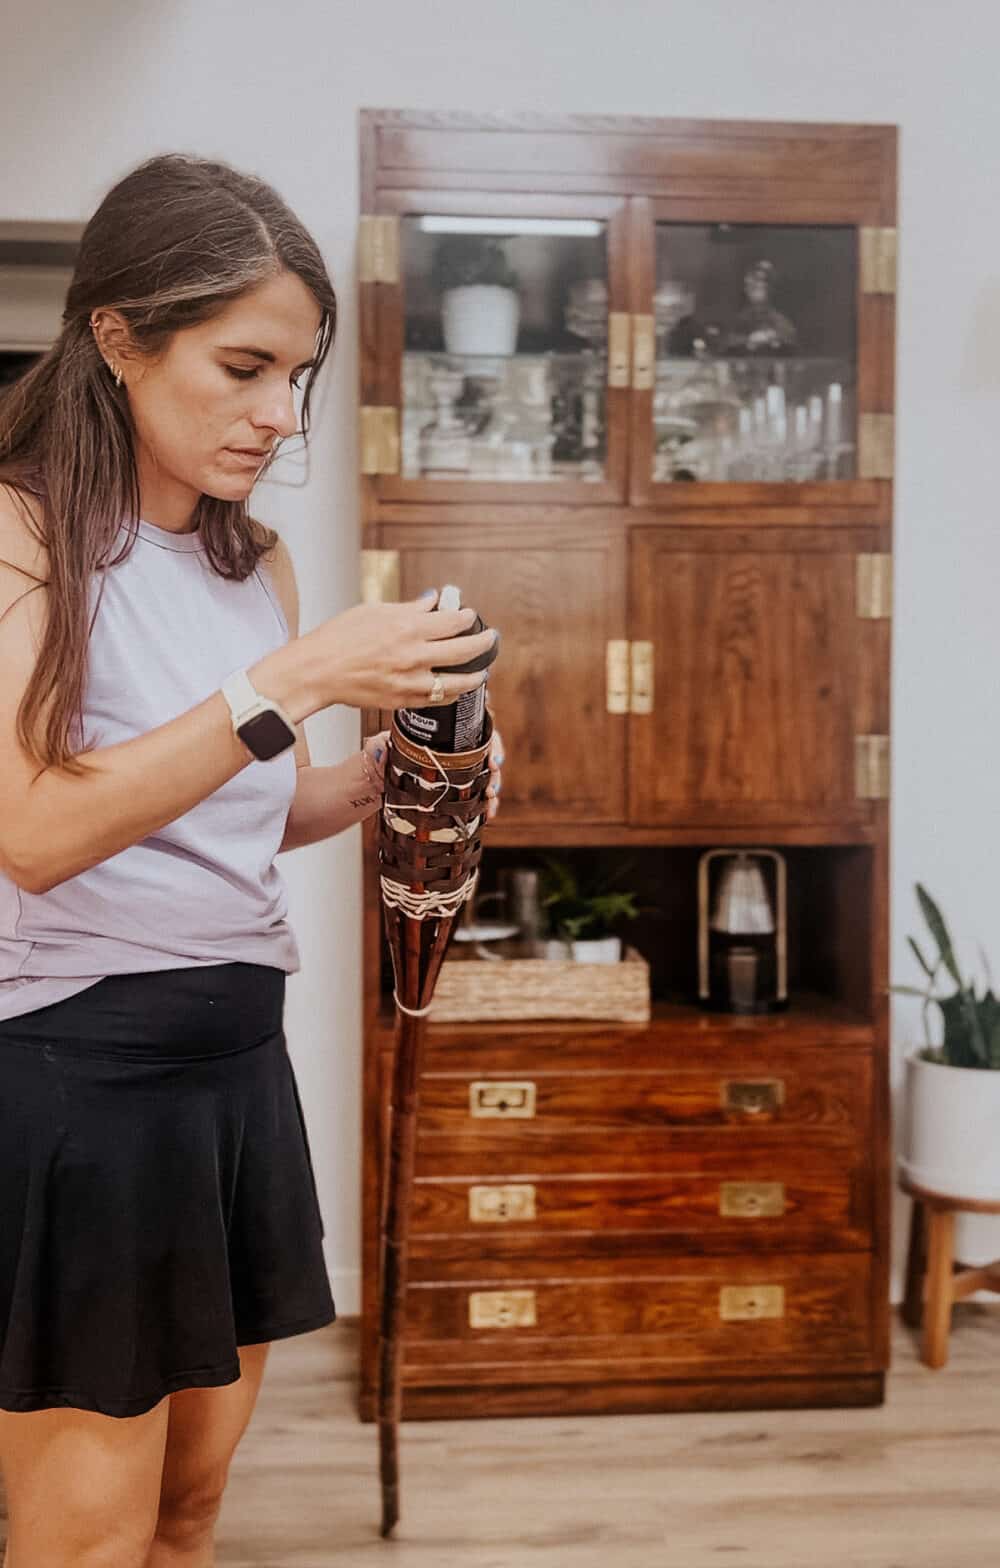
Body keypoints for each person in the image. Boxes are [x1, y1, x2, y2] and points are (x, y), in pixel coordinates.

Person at [0, 152, 503, 1568]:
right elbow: (36, 831)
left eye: (300, 376)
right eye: (245, 366)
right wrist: (290, 680)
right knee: (84, 1547)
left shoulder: (252, 565)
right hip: (78, 1087)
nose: (280, 416)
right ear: (118, 336)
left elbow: (222, 809)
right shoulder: (23, 534)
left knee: (190, 1515)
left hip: (237, 1068)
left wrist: (383, 782)